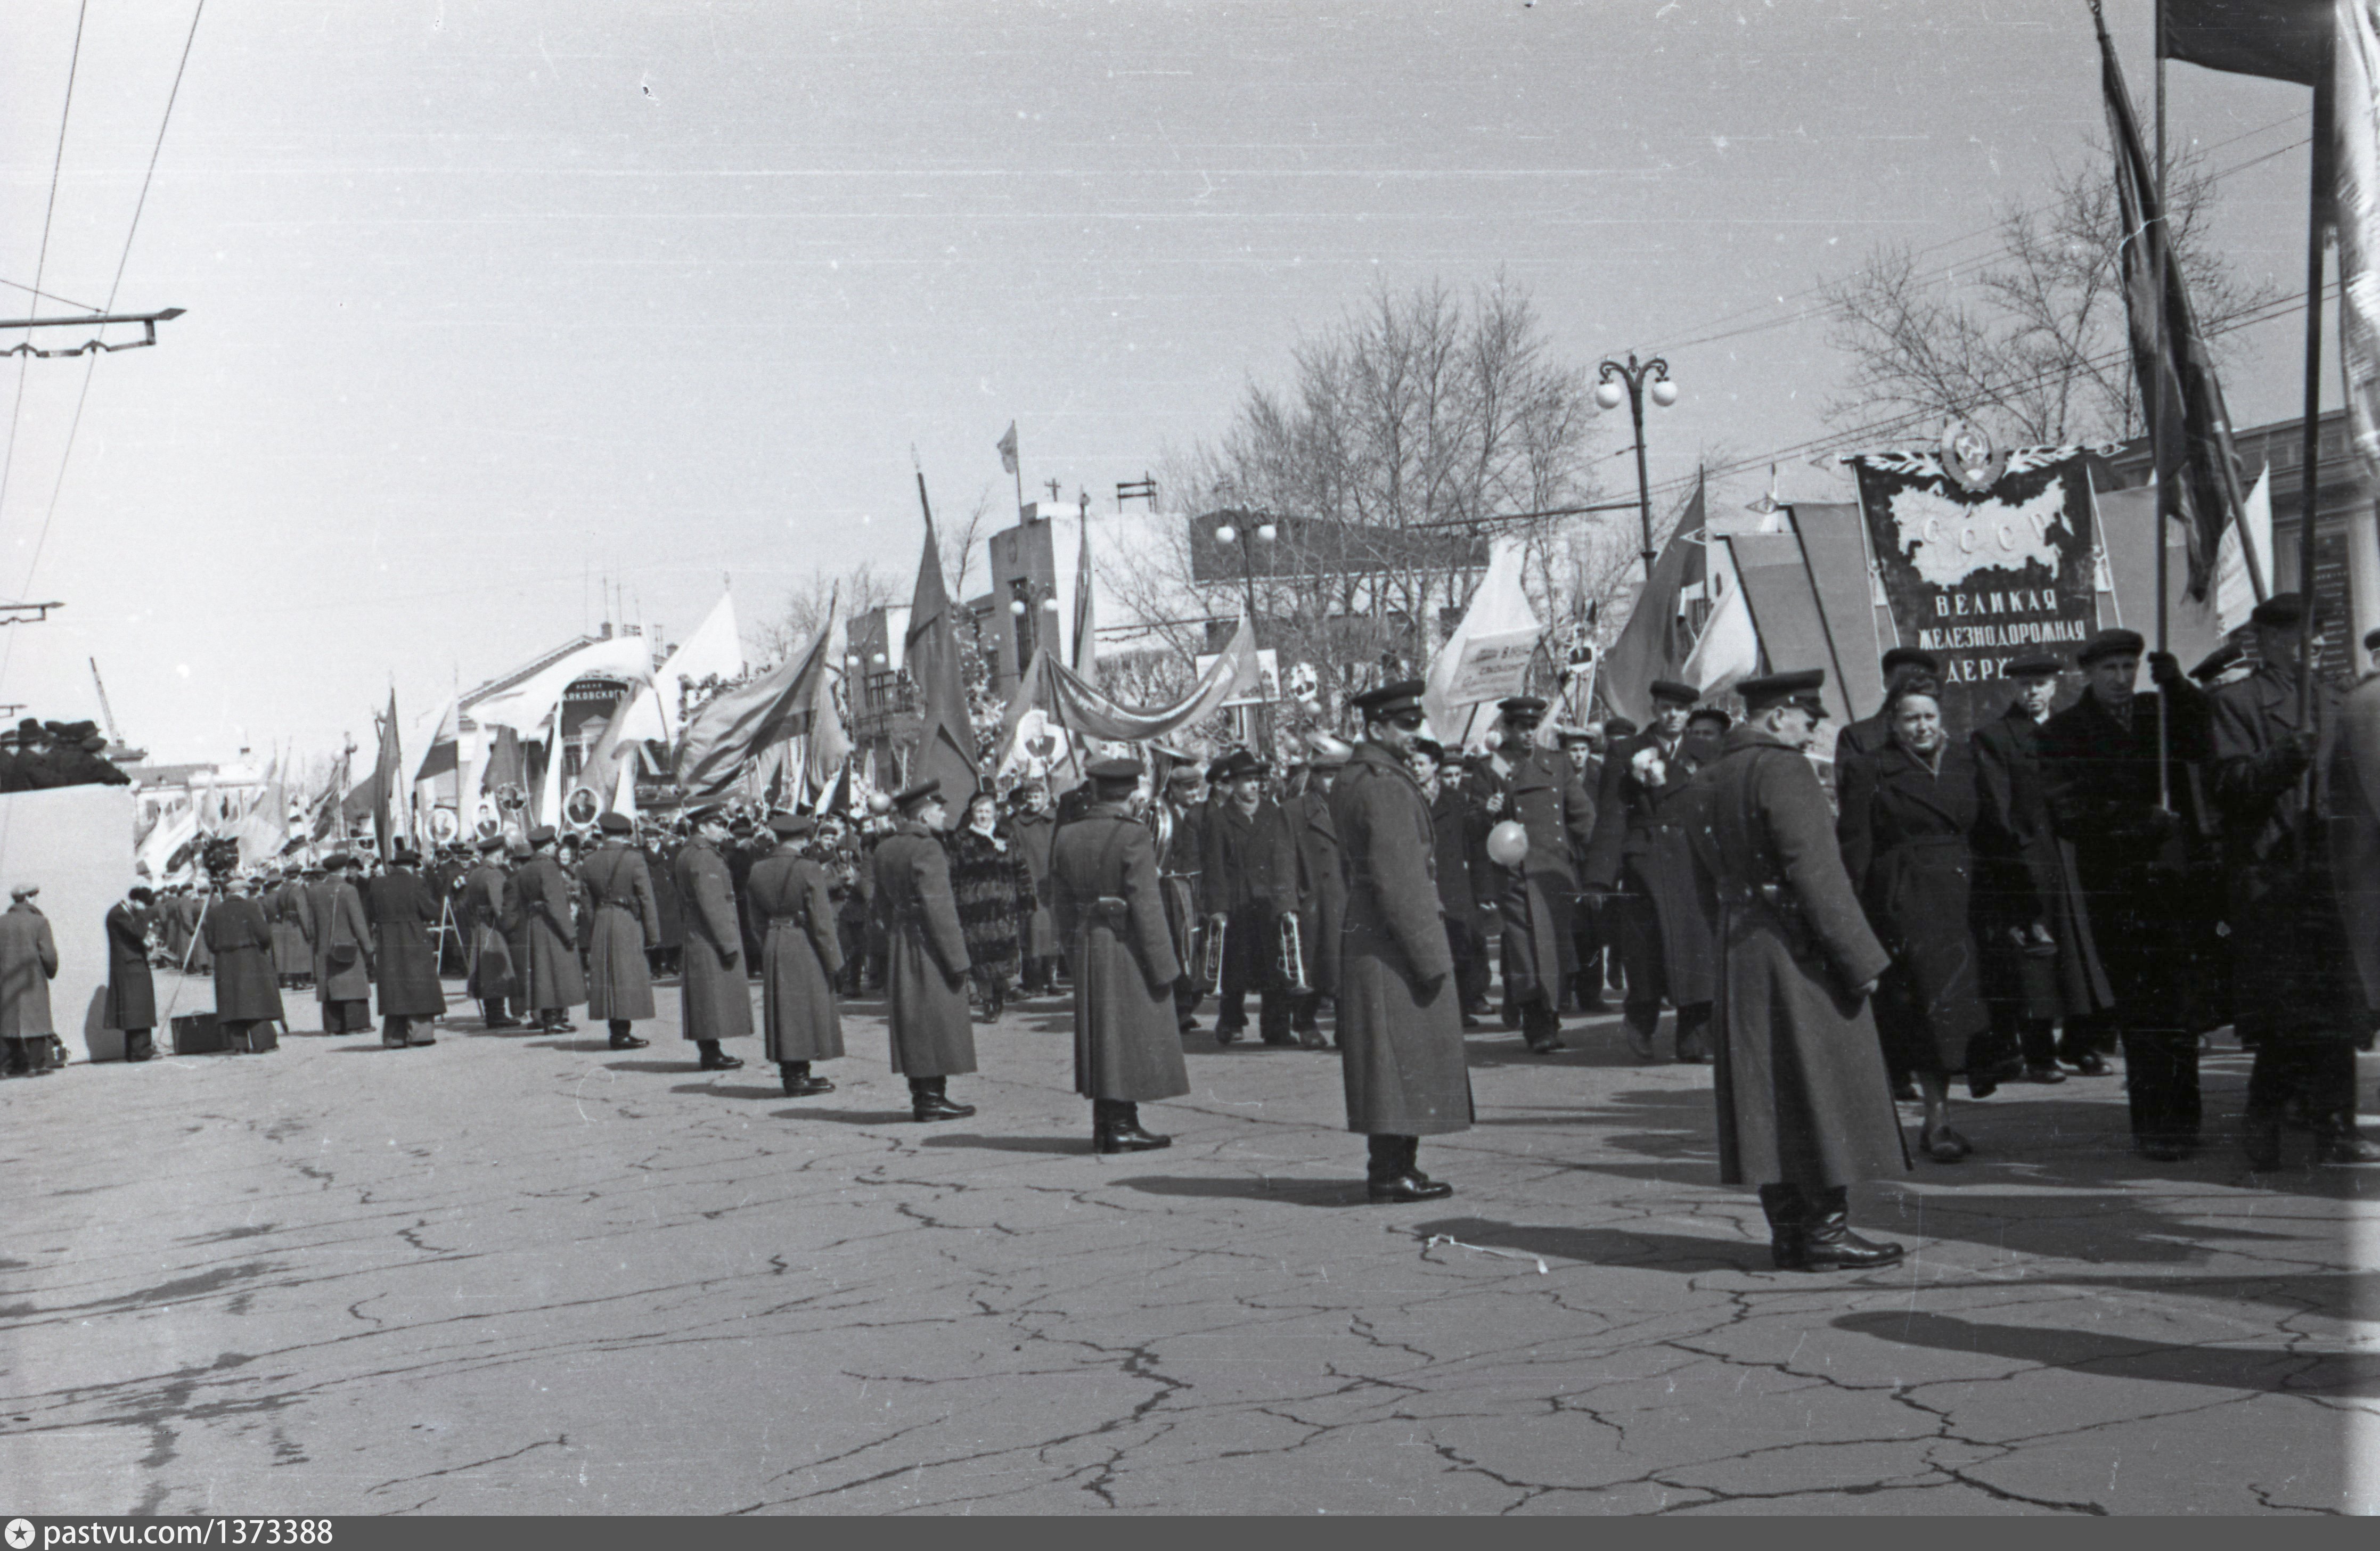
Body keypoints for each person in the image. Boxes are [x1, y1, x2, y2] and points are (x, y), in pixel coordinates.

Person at [1681, 669, 1909, 1271]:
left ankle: (1790, 1234)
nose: (1813, 728)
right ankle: (1826, 1235)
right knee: (1820, 1087)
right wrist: (1860, 959)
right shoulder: (1782, 769)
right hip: (1796, 950)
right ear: (1778, 716)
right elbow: (1817, 874)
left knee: (1766, 1093)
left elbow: (1705, 886)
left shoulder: (1705, 777)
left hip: (1740, 948)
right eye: (1808, 716)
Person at [2209, 594, 2380, 1167]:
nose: (2314, 643)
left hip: (2331, 874)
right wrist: (2283, 757)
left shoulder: (2337, 700)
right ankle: (2262, 1120)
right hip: (2271, 876)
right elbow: (2228, 787)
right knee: (2286, 1011)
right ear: (2268, 640)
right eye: (2302, 635)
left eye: (2318, 634)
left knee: (2339, 1006)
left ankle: (2333, 1123)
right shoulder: (2237, 703)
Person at [2040, 627, 2218, 1162]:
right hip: (2116, 889)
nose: (2121, 680)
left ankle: (2184, 1120)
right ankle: (2154, 1126)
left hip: (2173, 884)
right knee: (2141, 1010)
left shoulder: (2157, 714)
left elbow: (2201, 734)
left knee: (2180, 1005)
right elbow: (2068, 814)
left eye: (2128, 669)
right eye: (2109, 670)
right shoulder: (2063, 733)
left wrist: (2179, 687)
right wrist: (2139, 820)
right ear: (2087, 675)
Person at [1836, 675, 1992, 1161]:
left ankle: (1945, 1111)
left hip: (1965, 894)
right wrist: (1854, 916)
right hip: (1905, 899)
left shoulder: (1968, 759)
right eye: (1910, 718)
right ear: (1893, 723)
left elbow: (1990, 828)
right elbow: (1855, 844)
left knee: (1959, 1007)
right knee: (1923, 1009)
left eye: (1928, 716)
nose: (1921, 726)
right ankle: (1936, 1121)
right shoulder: (1871, 768)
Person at [1335, 682, 1475, 1202]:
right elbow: (1401, 882)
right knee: (1401, 1055)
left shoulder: (1359, 777)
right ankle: (1392, 1171)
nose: (1417, 735)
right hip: (1395, 942)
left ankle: (1393, 1167)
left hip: (1372, 935)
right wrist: (1429, 955)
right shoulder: (1384, 786)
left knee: (1391, 1057)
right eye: (1406, 725)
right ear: (1376, 729)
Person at [1970, 654, 2108, 1085]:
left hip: (2074, 854)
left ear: (2055, 686)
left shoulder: (2070, 731)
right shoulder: (1993, 737)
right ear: (2012, 688)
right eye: (2024, 684)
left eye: (2040, 684)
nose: (2032, 692)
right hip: (2030, 858)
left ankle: (2080, 1042)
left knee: (2084, 952)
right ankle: (2039, 1053)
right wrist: (2016, 855)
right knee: (2037, 957)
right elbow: (1997, 807)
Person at [1048, 757, 1189, 1152]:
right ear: (1130, 793)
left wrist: (1072, 950)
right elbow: (1146, 905)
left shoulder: (1066, 835)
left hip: (1089, 939)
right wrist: (1165, 965)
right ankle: (1122, 1125)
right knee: (1127, 1032)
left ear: (1093, 791)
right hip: (1125, 941)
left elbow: (1058, 903)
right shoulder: (1133, 835)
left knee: (1102, 1032)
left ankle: (1107, 1124)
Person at [1584, 681, 1712, 1062]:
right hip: (1645, 861)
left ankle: (1694, 1038)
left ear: (1689, 714)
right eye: (1666, 707)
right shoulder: (1626, 751)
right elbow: (1610, 816)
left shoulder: (1704, 752)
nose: (1672, 715)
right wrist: (1599, 877)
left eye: (1680, 710)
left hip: (1693, 861)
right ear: (1653, 708)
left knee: (1695, 950)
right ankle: (1640, 1021)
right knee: (1645, 953)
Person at [1481, 695, 1598, 1054]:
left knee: (1556, 951)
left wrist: (1600, 865)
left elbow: (1581, 816)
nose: (1528, 733)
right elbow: (1470, 823)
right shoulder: (1493, 767)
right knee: (1525, 954)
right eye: (1520, 727)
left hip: (1554, 873)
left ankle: (1549, 1014)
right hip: (1515, 876)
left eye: (1533, 726)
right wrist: (1487, 812)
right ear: (1508, 729)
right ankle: (1537, 1023)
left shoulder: (1556, 764)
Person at [872, 781, 978, 1121]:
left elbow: (882, 907)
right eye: (938, 809)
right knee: (936, 1018)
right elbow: (941, 910)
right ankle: (933, 1099)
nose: (944, 814)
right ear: (922, 814)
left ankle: (924, 1098)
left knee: (914, 1020)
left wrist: (897, 933)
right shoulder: (928, 849)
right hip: (930, 943)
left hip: (902, 938)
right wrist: (959, 961)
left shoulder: (885, 848)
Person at [1201, 751, 1306, 1046]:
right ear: (1232, 784)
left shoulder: (1275, 814)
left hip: (1268, 901)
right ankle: (1231, 1021)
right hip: (1236, 902)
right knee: (1234, 965)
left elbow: (1285, 860)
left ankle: (1276, 1026)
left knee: (1277, 965)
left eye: (1256, 780)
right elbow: (1215, 867)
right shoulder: (1220, 819)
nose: (1252, 787)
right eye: (1246, 781)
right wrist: (1218, 908)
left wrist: (1287, 902)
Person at [747, 813, 844, 1098]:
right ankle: (799, 1077)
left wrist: (769, 941)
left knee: (784, 1011)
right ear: (803, 838)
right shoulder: (808, 868)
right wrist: (834, 960)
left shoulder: (758, 869)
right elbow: (822, 920)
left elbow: (754, 920)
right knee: (803, 1010)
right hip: (802, 941)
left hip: (775, 940)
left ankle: (792, 1075)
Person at [674, 805, 753, 1070]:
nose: (723, 829)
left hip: (697, 931)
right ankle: (711, 1053)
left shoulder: (689, 853)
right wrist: (728, 943)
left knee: (704, 996)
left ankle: (710, 1050)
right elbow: (713, 904)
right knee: (709, 996)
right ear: (702, 827)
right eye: (718, 824)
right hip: (708, 935)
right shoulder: (704, 857)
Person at [580, 811, 662, 1053]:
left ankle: (616, 1031)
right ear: (625, 834)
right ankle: (622, 1033)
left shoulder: (589, 860)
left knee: (609, 976)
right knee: (626, 975)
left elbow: (587, 903)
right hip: (626, 920)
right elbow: (646, 898)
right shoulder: (634, 859)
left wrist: (596, 928)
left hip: (603, 919)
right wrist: (654, 934)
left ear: (603, 833)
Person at [947, 789, 1032, 1022]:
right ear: (972, 814)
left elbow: (1021, 869)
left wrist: (1026, 897)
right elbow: (953, 874)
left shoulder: (1006, 836)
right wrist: (955, 904)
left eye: (987, 811)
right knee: (980, 956)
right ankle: (988, 1002)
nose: (983, 816)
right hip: (975, 909)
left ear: (995, 814)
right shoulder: (961, 840)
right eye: (979, 811)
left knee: (1003, 953)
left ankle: (1000, 996)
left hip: (1005, 907)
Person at [1290, 735, 1350, 1049]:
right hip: (1313, 899)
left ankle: (1346, 1025)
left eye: (1339, 774)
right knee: (1312, 963)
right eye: (1328, 775)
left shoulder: (1353, 806)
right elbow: (1284, 862)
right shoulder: (1295, 811)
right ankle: (1305, 1022)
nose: (1334, 782)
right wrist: (1288, 904)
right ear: (1315, 778)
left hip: (1347, 897)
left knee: (1346, 965)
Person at [1428, 743, 1491, 1026]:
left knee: (1462, 947)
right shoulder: (1411, 800)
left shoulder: (1456, 800)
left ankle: (1466, 1005)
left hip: (1455, 881)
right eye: (1447, 774)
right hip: (1430, 880)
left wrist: (1486, 815)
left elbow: (1475, 840)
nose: (1452, 780)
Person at [1557, 725, 1612, 1014]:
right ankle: (1563, 992)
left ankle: (1591, 993)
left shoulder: (1598, 777)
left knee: (1592, 927)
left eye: (1582, 750)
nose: (1578, 756)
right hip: (1565, 858)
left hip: (1591, 857)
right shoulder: (1556, 778)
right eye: (1573, 750)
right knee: (1566, 926)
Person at [367, 848, 446, 1048]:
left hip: (387, 941)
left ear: (393, 866)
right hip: (413, 936)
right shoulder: (416, 883)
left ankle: (394, 1037)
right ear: (412, 866)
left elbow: (368, 913)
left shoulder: (376, 884)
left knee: (393, 986)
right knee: (419, 983)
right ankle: (421, 1035)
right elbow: (431, 911)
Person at [514, 826, 588, 1037]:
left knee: (543, 973)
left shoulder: (527, 868)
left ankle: (550, 1018)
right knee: (556, 972)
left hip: (535, 922)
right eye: (554, 844)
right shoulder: (549, 867)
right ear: (548, 846)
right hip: (551, 925)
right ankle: (554, 1020)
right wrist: (569, 932)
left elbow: (522, 901)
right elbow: (555, 903)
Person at [1155, 763, 1209, 1033]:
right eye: (1187, 789)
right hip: (1172, 887)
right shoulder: (1161, 812)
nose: (1193, 794)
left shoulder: (1200, 811)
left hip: (1196, 884)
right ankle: (1180, 1008)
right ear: (1173, 788)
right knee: (1180, 945)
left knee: (1196, 945)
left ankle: (1190, 1001)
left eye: (1196, 788)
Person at [206, 875, 287, 1052]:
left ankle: (238, 1045)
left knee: (232, 1003)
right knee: (256, 1000)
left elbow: (209, 942)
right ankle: (264, 1043)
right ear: (242, 892)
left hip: (225, 961)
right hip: (250, 958)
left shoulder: (213, 912)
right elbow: (264, 935)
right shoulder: (251, 908)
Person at [1837, 647, 1945, 762]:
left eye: (1921, 681)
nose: (1913, 686)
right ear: (1886, 682)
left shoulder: (1943, 737)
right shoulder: (1858, 736)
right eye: (1905, 679)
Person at [1007, 781, 1062, 995]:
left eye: (1036, 797)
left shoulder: (1056, 820)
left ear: (1045, 798)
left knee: (1053, 929)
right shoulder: (1018, 823)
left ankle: (1053, 979)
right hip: (1029, 879)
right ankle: (1035, 979)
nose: (1032, 801)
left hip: (1050, 880)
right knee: (1033, 930)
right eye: (1029, 797)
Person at [0, 883, 60, 1077]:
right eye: (34, 896)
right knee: (37, 1019)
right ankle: (36, 1065)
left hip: (6, 980)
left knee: (8, 1022)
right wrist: (50, 972)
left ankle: (9, 1067)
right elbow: (49, 955)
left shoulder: (2, 922)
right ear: (28, 898)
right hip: (32, 978)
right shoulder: (39, 922)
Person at [312, 855, 374, 1035]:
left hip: (325, 946)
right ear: (344, 869)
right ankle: (357, 1024)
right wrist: (368, 946)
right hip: (347, 944)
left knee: (330, 985)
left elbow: (311, 924)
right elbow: (358, 922)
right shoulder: (348, 890)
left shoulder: (315, 891)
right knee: (352, 983)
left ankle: (333, 1026)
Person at [462, 834, 519, 1028]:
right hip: (493, 927)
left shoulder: (475, 873)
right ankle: (497, 1015)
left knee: (486, 970)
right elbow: (499, 905)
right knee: (496, 969)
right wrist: (509, 926)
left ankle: (492, 1014)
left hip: (479, 926)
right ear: (498, 853)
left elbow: (467, 905)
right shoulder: (494, 874)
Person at [105, 884, 159, 1062]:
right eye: (144, 905)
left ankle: (138, 1050)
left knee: (139, 1009)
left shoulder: (125, 913)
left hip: (133, 965)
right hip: (130, 967)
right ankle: (140, 1051)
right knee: (137, 1010)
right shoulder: (119, 914)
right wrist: (144, 914)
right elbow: (138, 932)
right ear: (136, 901)